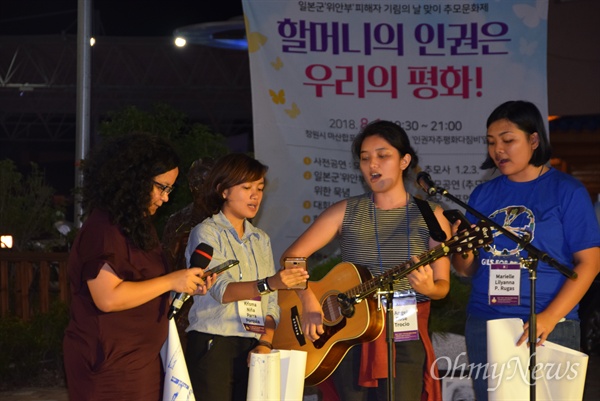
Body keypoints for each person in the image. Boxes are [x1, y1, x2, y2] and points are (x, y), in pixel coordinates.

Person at [282, 120, 452, 401]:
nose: (373, 165)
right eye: (365, 158)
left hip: (404, 335)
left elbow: (442, 285)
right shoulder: (344, 211)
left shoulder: (432, 215)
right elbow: (291, 258)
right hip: (349, 335)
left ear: (404, 160)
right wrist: (309, 300)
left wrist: (429, 288)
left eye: (383, 156)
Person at [451, 100, 600, 401]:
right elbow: (466, 269)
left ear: (534, 140)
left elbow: (590, 263)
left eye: (508, 140)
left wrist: (549, 317)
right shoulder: (482, 194)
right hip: (487, 321)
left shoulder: (566, 190)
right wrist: (461, 247)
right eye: (491, 142)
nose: (498, 150)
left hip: (550, 323)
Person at [63, 133, 215, 400]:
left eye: (170, 190)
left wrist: (184, 288)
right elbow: (108, 298)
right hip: (108, 364)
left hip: (142, 359)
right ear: (134, 180)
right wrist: (171, 281)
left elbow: (143, 289)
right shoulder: (103, 229)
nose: (166, 198)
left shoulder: (139, 227)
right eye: (161, 187)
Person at [184, 153, 309, 401]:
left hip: (254, 345)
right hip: (214, 342)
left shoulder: (261, 239)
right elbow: (223, 290)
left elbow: (271, 302)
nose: (256, 195)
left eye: (260, 188)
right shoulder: (206, 232)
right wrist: (271, 282)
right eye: (247, 187)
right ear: (223, 190)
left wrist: (266, 343)